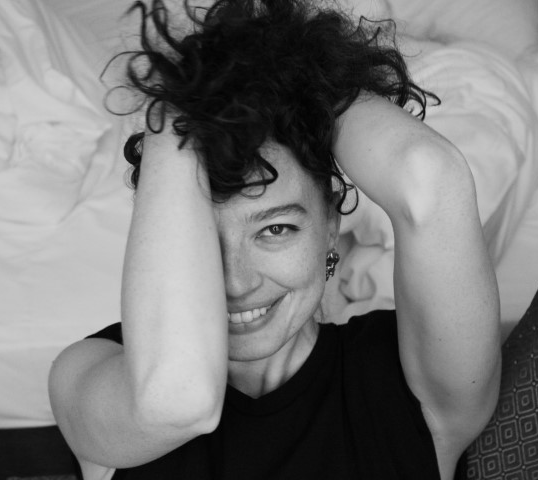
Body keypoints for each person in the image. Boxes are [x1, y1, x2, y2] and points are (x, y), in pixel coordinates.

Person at [48, 1, 503, 479]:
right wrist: (178, 107)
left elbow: (429, 177)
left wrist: (296, 79)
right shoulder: (92, 372)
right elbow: (175, 401)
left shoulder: (413, 381)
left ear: (330, 226)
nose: (237, 283)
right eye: (203, 240)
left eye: (275, 229)